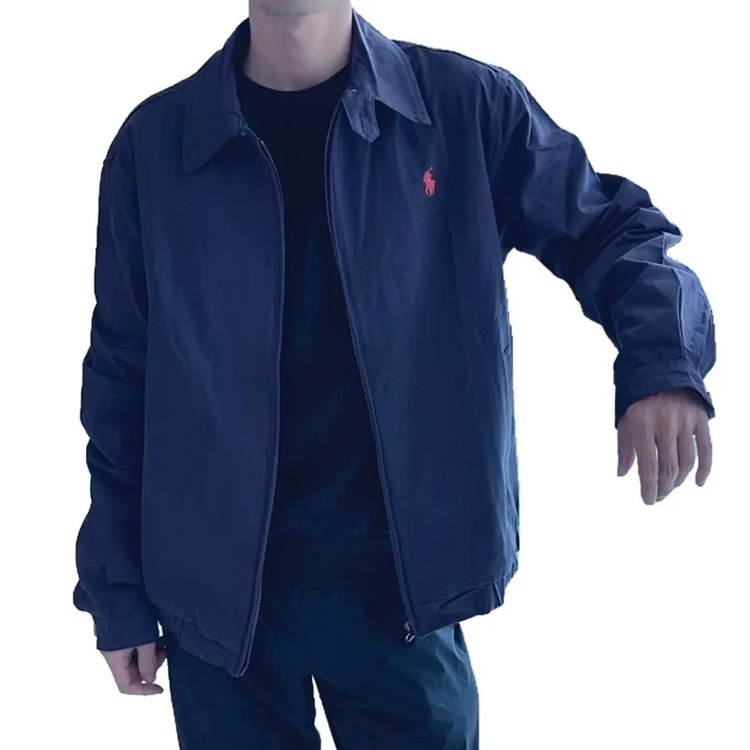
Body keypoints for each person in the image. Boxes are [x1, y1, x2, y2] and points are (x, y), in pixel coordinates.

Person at [72, 2, 716, 748]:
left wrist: (661, 365)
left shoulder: (464, 109)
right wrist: (116, 591)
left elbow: (610, 230)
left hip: (400, 593)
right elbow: (120, 379)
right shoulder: (156, 145)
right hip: (217, 612)